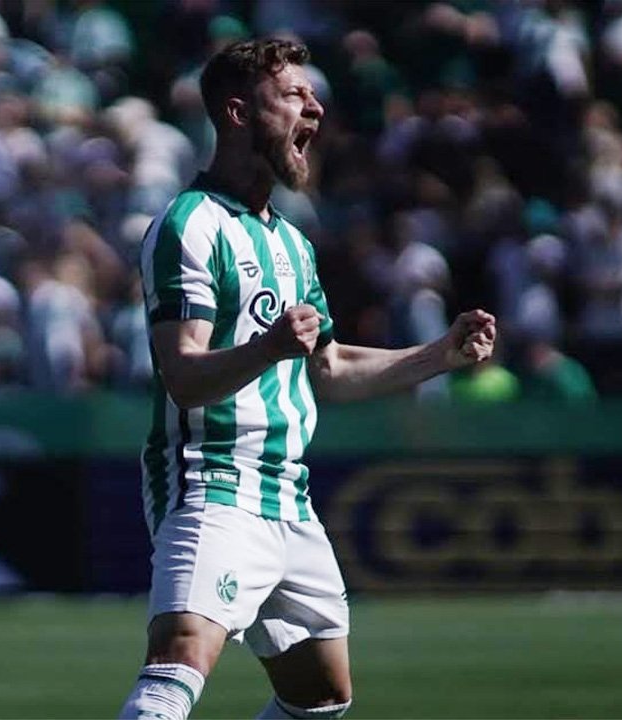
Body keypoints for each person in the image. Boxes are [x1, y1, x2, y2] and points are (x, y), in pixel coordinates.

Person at [120, 38, 496, 720]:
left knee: (322, 696)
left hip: (288, 497)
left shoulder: (291, 243)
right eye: (293, 94)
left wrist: (439, 355)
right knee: (177, 660)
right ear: (238, 112)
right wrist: (265, 350)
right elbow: (182, 376)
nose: (315, 108)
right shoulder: (189, 227)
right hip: (215, 483)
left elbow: (330, 368)